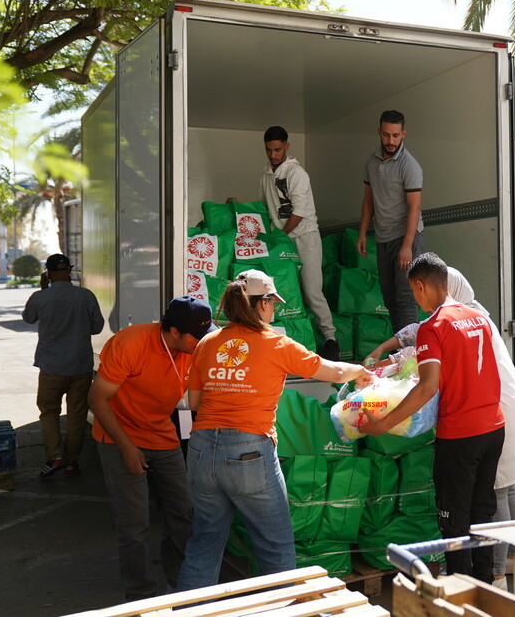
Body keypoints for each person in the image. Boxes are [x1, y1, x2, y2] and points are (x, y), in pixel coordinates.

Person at [176, 270, 372, 591]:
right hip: (248, 451)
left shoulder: (208, 343)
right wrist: (360, 372)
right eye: (272, 303)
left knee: (204, 543)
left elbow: (193, 401)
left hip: (200, 448)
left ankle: (190, 612)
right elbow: (332, 370)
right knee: (275, 545)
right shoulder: (276, 343)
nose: (275, 310)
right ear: (262, 304)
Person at [359, 253, 505, 583]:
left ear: (422, 285)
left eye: (413, 291)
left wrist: (382, 424)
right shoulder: (478, 318)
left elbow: (427, 387)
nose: (415, 298)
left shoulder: (432, 327)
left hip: (460, 434)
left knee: (454, 519)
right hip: (494, 428)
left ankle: (459, 592)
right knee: (483, 512)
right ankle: (485, 588)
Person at [88, 296, 212, 600]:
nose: (201, 343)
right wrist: (128, 448)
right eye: (196, 337)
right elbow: (96, 399)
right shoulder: (130, 344)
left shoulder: (195, 347)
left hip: (161, 432)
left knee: (183, 512)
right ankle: (141, 594)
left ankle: (182, 584)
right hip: (119, 435)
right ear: (173, 332)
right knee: (134, 524)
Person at [257, 125, 340, 360]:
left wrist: (280, 237)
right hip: (281, 241)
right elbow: (262, 207)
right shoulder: (265, 175)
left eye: (277, 149)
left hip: (305, 237)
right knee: (284, 293)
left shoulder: (297, 174)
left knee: (313, 291)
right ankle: (290, 342)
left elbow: (300, 212)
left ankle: (331, 339)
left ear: (287, 147)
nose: (273, 155)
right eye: (268, 150)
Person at [22, 253, 104, 478]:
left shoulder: (41, 297)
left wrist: (42, 289)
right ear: (69, 271)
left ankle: (55, 457)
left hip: (51, 366)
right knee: (76, 415)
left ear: (48, 274)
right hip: (80, 366)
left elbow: (28, 318)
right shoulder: (86, 296)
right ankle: (71, 463)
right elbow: (97, 327)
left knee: (49, 412)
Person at [358, 109, 424, 332]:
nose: (390, 140)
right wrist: (363, 233)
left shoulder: (410, 165)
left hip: (406, 237)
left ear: (403, 133)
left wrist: (407, 246)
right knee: (389, 296)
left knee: (405, 296)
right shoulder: (371, 160)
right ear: (379, 132)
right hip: (383, 237)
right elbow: (369, 200)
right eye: (386, 135)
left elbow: (415, 207)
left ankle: (410, 355)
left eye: (395, 135)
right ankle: (400, 350)